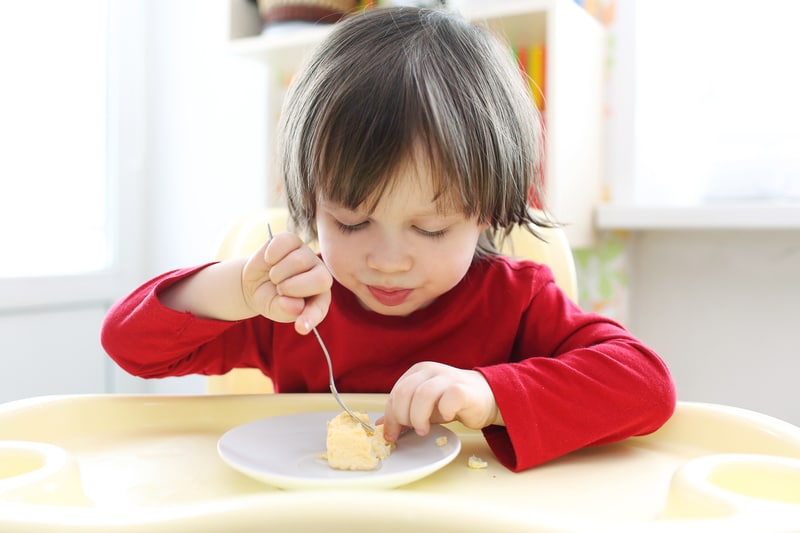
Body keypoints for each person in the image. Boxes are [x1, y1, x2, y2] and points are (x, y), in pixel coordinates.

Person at [101, 6, 675, 472]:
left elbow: (647, 387)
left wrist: (490, 393)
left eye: (430, 228)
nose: (388, 261)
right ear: (312, 202)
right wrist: (236, 290)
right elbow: (127, 345)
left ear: (487, 213)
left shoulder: (516, 299)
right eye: (351, 222)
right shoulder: (293, 305)